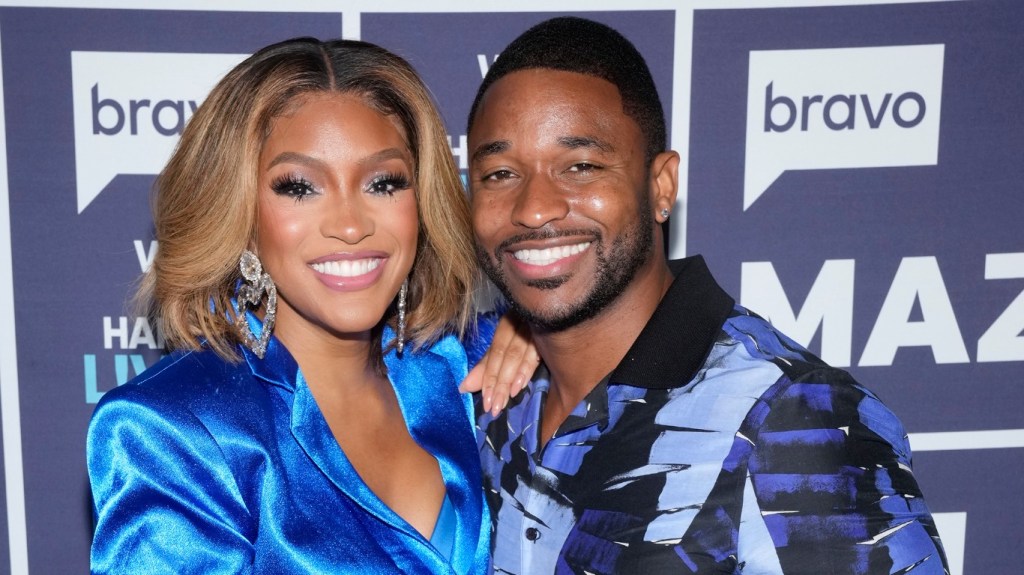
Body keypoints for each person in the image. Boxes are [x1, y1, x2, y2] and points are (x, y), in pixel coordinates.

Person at [468, 17, 949, 574]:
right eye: (500, 173)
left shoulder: (794, 424)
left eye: (581, 166)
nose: (533, 207)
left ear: (661, 186)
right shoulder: (490, 399)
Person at [87, 37, 533, 574]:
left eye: (383, 183)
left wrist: (541, 326)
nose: (350, 225)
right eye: (299, 188)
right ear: (241, 216)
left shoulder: (466, 365)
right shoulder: (173, 429)